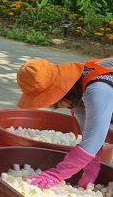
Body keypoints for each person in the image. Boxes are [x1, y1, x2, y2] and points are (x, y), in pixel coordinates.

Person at [15, 57, 113, 189]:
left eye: (56, 102)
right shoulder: (79, 85)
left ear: (62, 92)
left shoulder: (97, 92)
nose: (58, 106)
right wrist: (92, 165)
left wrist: (57, 175)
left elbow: (94, 140)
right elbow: (90, 134)